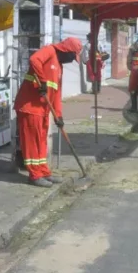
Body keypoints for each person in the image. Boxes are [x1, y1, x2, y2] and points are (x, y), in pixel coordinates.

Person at [14, 37, 82, 187]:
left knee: (42, 142)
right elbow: (34, 59)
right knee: (32, 142)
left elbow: (56, 94)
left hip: (43, 109)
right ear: (66, 50)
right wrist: (42, 80)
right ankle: (34, 175)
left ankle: (44, 172)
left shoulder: (60, 67)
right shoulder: (49, 50)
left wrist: (59, 116)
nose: (72, 60)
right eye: (72, 56)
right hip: (29, 107)